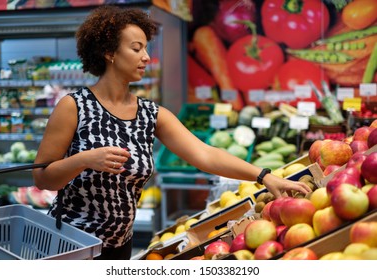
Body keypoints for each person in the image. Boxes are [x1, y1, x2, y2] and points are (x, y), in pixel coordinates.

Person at [32, 5, 311, 260]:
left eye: (146, 48)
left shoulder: (151, 114)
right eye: (136, 48)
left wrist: (264, 176)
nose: (146, 57)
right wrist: (84, 159)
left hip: (119, 246)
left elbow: (206, 154)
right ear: (109, 53)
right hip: (70, 244)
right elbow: (42, 177)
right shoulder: (74, 106)